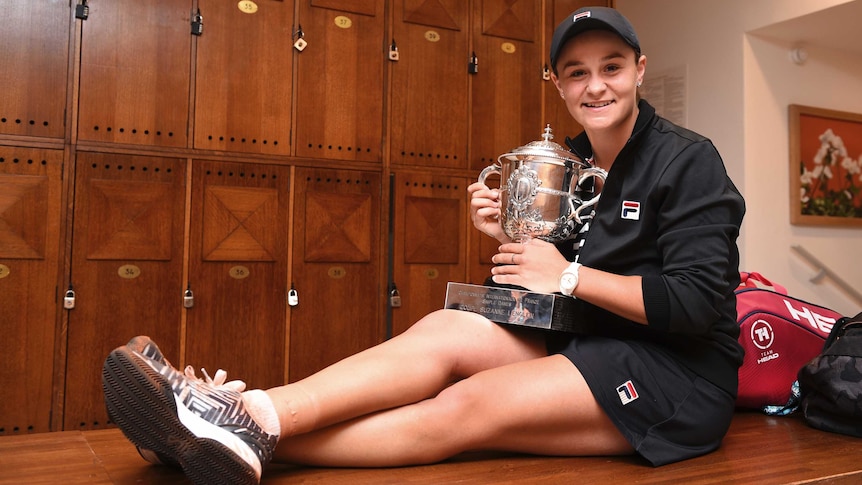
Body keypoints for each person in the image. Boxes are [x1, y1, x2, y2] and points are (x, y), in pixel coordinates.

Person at [101, 7, 746, 485]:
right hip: (590, 342)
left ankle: (231, 433)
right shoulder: (567, 162)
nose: (595, 86)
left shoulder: (688, 161)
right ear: (556, 83)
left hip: (676, 376)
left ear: (639, 70)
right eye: (576, 73)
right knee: (449, 327)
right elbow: (541, 299)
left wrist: (569, 276)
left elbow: (694, 303)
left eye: (610, 67)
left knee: (464, 406)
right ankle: (255, 414)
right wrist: (514, 242)